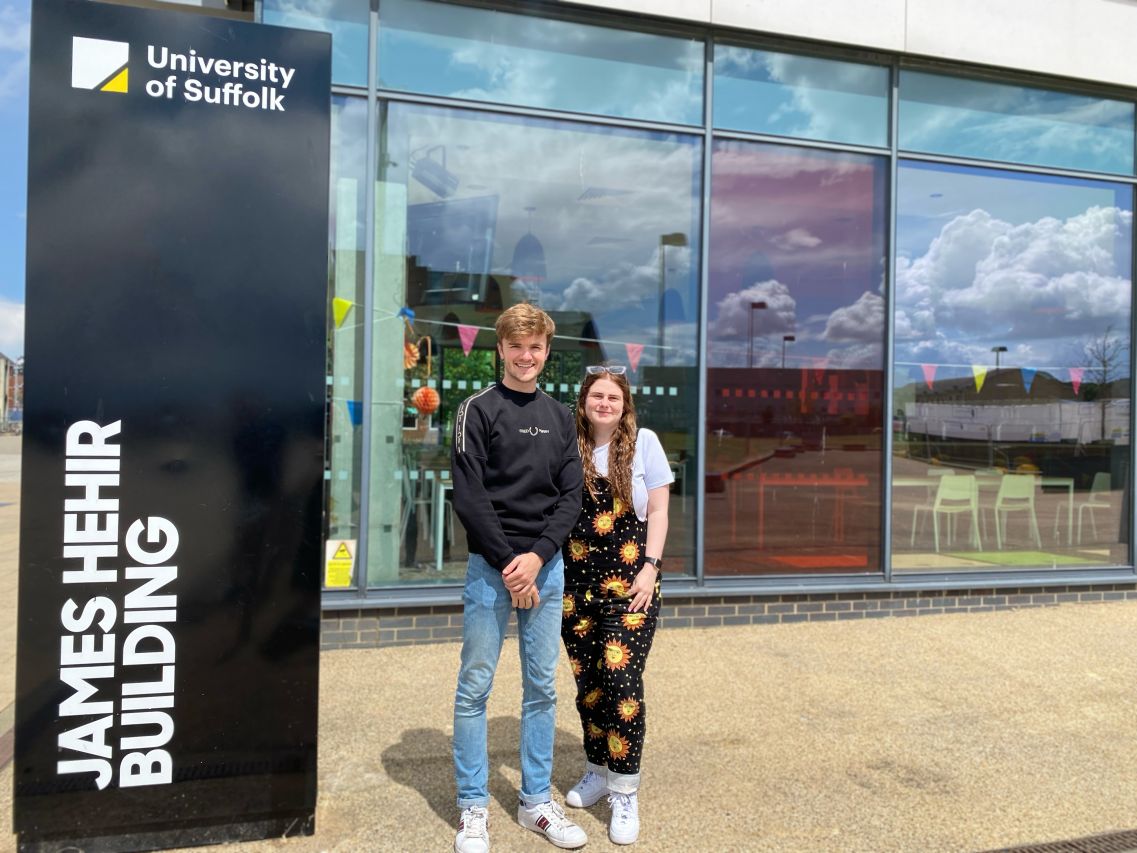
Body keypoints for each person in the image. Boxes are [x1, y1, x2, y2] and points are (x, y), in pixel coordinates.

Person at [450, 303, 588, 853]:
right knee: (475, 687)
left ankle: (535, 803)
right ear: (500, 350)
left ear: (546, 353)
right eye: (516, 346)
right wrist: (512, 562)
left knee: (541, 688)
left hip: (544, 568)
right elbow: (469, 494)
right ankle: (473, 807)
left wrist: (538, 558)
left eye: (535, 347)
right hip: (492, 568)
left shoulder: (560, 418)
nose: (525, 356)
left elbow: (570, 496)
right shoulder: (475, 410)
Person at [560, 365, 673, 845]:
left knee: (621, 681)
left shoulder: (644, 443)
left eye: (614, 397)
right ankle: (596, 769)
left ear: (625, 405)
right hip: (577, 587)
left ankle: (624, 790)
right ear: (584, 400)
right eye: (597, 395)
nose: (605, 403)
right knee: (588, 686)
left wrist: (650, 566)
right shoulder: (570, 444)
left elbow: (662, 510)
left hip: (632, 587)